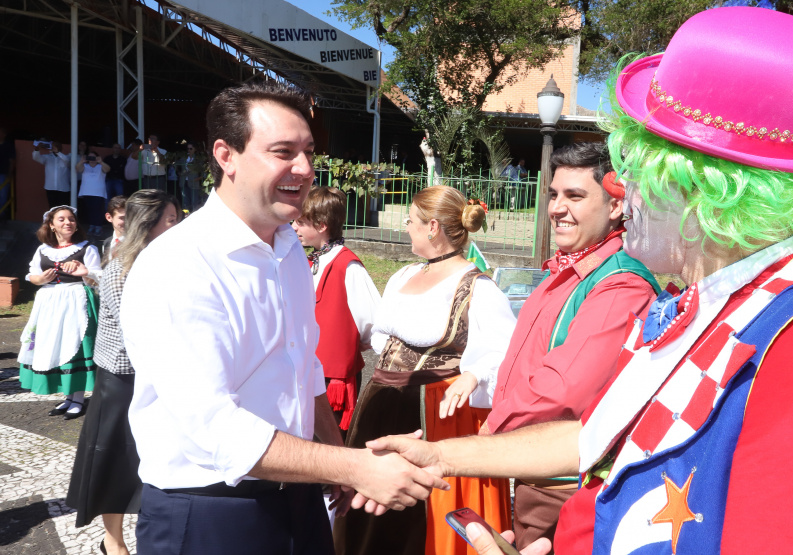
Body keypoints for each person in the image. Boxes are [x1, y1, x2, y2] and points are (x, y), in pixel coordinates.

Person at [367, 7, 793, 554]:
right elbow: (602, 432)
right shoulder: (702, 305)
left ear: (710, 186)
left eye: (640, 163)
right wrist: (444, 456)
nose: (621, 187)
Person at [119, 82, 448, 555]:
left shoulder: (289, 248)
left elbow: (303, 371)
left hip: (298, 496)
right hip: (211, 513)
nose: (305, 169)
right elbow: (215, 427)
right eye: (283, 152)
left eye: (309, 152)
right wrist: (354, 468)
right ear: (225, 154)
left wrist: (340, 461)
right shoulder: (179, 263)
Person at [485, 142, 659, 552]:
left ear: (617, 206)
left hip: (566, 485)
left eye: (575, 196)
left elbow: (563, 388)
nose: (557, 208)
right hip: (534, 469)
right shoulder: (565, 271)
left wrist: (490, 430)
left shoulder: (620, 284)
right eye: (553, 194)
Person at [334, 185, 516, 555]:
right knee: (368, 515)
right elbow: (382, 334)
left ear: (432, 226)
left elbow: (504, 350)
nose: (406, 225)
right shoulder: (404, 275)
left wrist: (472, 374)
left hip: (435, 416)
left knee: (422, 523)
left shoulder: (478, 288)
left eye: (412, 220)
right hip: (380, 405)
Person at [67, 189, 182, 555]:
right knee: (115, 459)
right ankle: (113, 541)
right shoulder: (121, 267)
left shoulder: (169, 261)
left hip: (158, 374)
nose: (177, 227)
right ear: (148, 225)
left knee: (156, 456)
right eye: (171, 220)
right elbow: (135, 330)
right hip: (122, 378)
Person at [292, 186, 379, 438]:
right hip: (307, 370)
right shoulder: (307, 261)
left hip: (332, 380)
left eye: (300, 222)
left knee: (330, 445)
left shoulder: (347, 266)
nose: (294, 228)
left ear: (321, 225)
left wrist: (357, 341)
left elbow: (373, 320)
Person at [18, 205, 101, 420]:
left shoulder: (86, 248)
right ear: (52, 225)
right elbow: (32, 275)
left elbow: (96, 279)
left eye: (71, 219)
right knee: (55, 344)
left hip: (76, 301)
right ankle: (68, 396)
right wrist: (41, 279)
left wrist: (85, 272)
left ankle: (78, 398)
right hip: (49, 303)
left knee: (74, 345)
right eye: (62, 219)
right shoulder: (43, 249)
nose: (68, 223)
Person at [77, 150, 110, 236]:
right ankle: (92, 226)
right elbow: (77, 169)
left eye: (93, 157)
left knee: (98, 210)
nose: (91, 159)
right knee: (90, 210)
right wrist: (82, 161)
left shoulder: (100, 166)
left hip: (98, 193)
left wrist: (100, 161)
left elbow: (108, 169)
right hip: (86, 192)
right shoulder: (85, 166)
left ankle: (98, 227)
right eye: (90, 157)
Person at [32, 140, 71, 208]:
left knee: (63, 209)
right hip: (50, 188)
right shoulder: (47, 157)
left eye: (57, 146)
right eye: (53, 146)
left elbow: (67, 161)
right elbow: (36, 158)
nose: (55, 148)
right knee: (52, 208)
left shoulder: (66, 157)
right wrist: (37, 149)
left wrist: (58, 152)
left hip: (63, 188)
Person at [175, 141, 206, 211]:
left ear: (195, 149)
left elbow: (204, 172)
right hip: (183, 182)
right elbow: (175, 164)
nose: (189, 150)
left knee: (194, 202)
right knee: (185, 202)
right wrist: (178, 173)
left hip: (194, 183)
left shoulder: (198, 160)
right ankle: (186, 216)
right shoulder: (184, 158)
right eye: (188, 149)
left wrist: (198, 179)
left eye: (191, 149)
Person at [101, 196, 127, 264]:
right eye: (122, 218)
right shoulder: (107, 243)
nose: (127, 221)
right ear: (109, 217)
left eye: (130, 217)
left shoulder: (139, 243)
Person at [0, 126, 16, 219]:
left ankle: (1, 214)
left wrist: (10, 173)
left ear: (4, 134)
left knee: (3, 194)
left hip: (3, 173)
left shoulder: (8, 145)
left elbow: (12, 161)